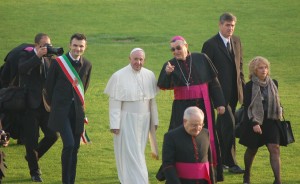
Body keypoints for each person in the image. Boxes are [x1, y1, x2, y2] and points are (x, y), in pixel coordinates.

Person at [157, 35, 225, 182]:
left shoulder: (201, 58)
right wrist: (167, 73)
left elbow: (213, 82)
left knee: (207, 136)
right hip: (181, 107)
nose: (175, 51)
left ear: (186, 46)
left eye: (178, 48)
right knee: (177, 135)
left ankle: (210, 170)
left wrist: (220, 103)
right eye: (172, 49)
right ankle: (173, 170)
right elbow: (162, 84)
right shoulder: (169, 64)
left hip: (203, 104)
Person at [104, 48, 159, 184]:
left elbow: (152, 102)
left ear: (144, 60)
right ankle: (140, 180)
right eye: (135, 59)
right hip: (127, 119)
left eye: (141, 59)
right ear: (130, 59)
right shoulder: (119, 76)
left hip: (145, 119)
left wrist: (154, 120)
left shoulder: (150, 75)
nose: (138, 62)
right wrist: (115, 124)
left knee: (139, 151)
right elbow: (115, 103)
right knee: (131, 152)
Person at [201, 12, 245, 174]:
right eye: (227, 25)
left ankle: (219, 160)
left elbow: (240, 68)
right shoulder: (210, 45)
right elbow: (205, 72)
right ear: (220, 25)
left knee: (222, 127)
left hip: (235, 92)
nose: (230, 28)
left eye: (232, 25)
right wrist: (212, 95)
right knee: (229, 125)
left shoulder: (237, 41)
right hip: (219, 94)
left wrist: (244, 92)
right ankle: (231, 162)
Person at [45, 33, 92, 184]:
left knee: (75, 147)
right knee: (69, 144)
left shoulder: (87, 65)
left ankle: (71, 180)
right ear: (70, 45)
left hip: (77, 111)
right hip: (61, 111)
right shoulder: (58, 63)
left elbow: (84, 88)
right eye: (75, 45)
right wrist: (56, 105)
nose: (78, 48)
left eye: (81, 46)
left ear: (85, 47)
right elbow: (49, 87)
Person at [18, 33, 59, 182]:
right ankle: (35, 172)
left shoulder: (50, 58)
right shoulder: (26, 54)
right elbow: (22, 69)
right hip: (30, 105)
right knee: (31, 140)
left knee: (53, 135)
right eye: (44, 45)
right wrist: (37, 56)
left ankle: (32, 157)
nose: (48, 47)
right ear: (36, 45)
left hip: (46, 105)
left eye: (49, 44)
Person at [239, 56, 283, 184]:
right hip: (255, 122)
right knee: (252, 149)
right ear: (254, 70)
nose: (264, 70)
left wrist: (280, 109)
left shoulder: (273, 83)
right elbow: (247, 107)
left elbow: (277, 101)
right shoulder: (249, 86)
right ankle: (246, 175)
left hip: (271, 120)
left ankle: (278, 180)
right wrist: (255, 123)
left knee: (274, 148)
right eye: (260, 68)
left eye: (265, 67)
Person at [162, 106, 216, 184]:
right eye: (194, 125)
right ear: (185, 121)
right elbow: (168, 165)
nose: (198, 128)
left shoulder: (206, 133)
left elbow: (210, 161)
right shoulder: (171, 137)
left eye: (201, 124)